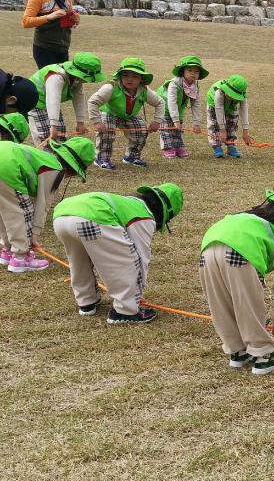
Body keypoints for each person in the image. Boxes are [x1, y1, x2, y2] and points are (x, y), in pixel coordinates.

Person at [199, 181, 274, 375]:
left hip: (208, 247)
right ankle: (263, 355)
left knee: (220, 304)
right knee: (247, 302)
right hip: (241, 252)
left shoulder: (250, 217)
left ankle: (237, 351)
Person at [53, 183, 184, 323]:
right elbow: (140, 258)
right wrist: (136, 294)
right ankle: (125, 311)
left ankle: (86, 302)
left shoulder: (128, 203)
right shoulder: (145, 217)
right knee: (127, 261)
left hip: (61, 216)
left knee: (79, 261)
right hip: (91, 219)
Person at [0, 137, 94, 273]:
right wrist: (33, 235)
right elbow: (43, 205)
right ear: (72, 169)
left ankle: (8, 250)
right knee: (21, 210)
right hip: (7, 167)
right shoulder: (55, 169)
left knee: (4, 208)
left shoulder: (45, 158)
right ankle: (20, 258)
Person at [88, 58, 164, 170]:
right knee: (107, 130)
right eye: (125, 75)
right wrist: (97, 122)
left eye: (135, 76)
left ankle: (131, 157)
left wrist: (157, 121)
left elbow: (160, 102)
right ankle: (102, 158)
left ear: (141, 78)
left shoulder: (144, 90)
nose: (129, 79)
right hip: (109, 113)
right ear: (120, 76)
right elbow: (93, 102)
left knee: (142, 129)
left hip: (129, 116)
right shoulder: (111, 87)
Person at [27, 52, 105, 145]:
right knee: (45, 137)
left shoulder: (75, 78)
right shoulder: (56, 77)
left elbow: (78, 97)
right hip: (35, 102)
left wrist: (80, 122)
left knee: (60, 136)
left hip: (50, 105)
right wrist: (53, 126)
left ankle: (60, 157)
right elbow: (53, 100)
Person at [21, 0, 80, 68]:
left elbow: (70, 19)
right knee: (51, 80)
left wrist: (75, 19)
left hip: (63, 47)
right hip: (44, 48)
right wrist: (49, 17)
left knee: (63, 80)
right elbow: (26, 22)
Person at [157, 55, 208, 159]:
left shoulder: (195, 87)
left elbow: (196, 105)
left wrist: (196, 123)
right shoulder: (174, 84)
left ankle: (178, 147)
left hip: (179, 110)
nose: (193, 73)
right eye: (189, 70)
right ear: (182, 71)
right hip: (165, 108)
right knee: (167, 128)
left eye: (196, 71)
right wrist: (175, 120)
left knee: (178, 130)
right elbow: (172, 102)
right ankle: (168, 148)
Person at [207, 75, 251, 159]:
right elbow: (219, 110)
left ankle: (231, 146)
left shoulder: (242, 95)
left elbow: (244, 110)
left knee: (232, 123)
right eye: (231, 95)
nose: (233, 97)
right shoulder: (218, 93)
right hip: (214, 104)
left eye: (235, 97)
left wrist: (245, 131)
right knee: (214, 124)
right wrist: (222, 130)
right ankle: (217, 147)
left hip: (231, 106)